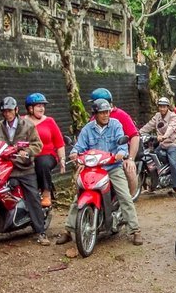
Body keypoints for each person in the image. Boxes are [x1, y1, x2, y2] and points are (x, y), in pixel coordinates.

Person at [56, 99, 143, 246]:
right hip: (93, 168)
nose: (105, 115)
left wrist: (121, 153)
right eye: (102, 113)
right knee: (78, 197)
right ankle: (68, 230)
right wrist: (75, 153)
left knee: (124, 196)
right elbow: (79, 146)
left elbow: (122, 145)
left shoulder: (116, 125)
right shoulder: (87, 129)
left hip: (113, 167)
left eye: (107, 112)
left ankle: (135, 230)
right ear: (95, 114)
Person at [0, 97, 50, 245]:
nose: (7, 114)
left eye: (10, 111)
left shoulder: (27, 125)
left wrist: (27, 152)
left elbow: (37, 144)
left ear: (16, 110)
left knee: (33, 197)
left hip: (23, 168)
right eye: (4, 111)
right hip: (3, 167)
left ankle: (40, 232)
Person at [89, 88, 140, 195]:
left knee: (129, 171)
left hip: (120, 156)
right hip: (100, 157)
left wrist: (130, 159)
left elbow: (134, 136)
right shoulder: (94, 118)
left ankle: (130, 197)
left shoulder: (121, 115)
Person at [24, 92, 66, 208]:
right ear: (30, 108)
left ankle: (46, 194)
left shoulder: (49, 121)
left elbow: (59, 143)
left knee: (42, 163)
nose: (42, 108)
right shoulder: (22, 121)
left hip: (47, 155)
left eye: (43, 106)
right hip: (27, 155)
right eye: (39, 106)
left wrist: (62, 160)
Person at [139, 97, 176, 201]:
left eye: (164, 106)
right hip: (162, 144)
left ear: (167, 107)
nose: (162, 108)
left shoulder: (172, 116)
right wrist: (138, 132)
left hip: (172, 144)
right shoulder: (157, 116)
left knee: (173, 163)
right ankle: (153, 185)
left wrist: (164, 136)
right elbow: (149, 125)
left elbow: (171, 127)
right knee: (151, 159)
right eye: (160, 106)